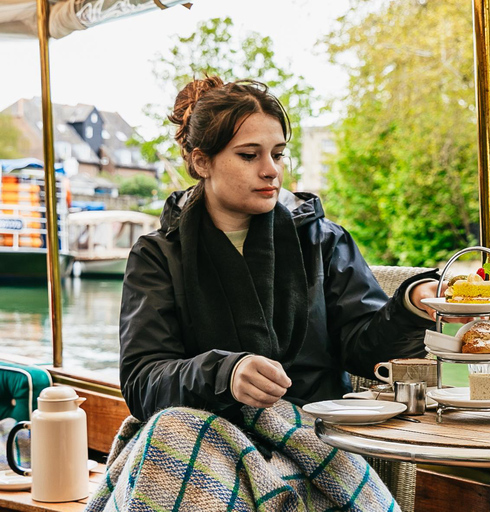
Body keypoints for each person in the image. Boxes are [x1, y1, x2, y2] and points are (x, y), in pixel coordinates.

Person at [86, 77, 444, 512]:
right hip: (200, 439)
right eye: (249, 155)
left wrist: (410, 305)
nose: (271, 169)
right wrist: (225, 373)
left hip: (310, 446)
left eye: (277, 154)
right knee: (173, 432)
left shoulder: (321, 241)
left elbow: (364, 349)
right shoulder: (158, 255)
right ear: (202, 162)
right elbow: (143, 380)